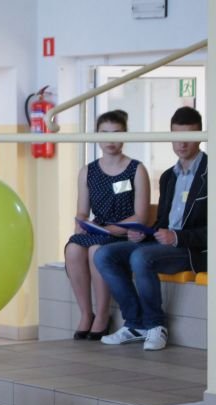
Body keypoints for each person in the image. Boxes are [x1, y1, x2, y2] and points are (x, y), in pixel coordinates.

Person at [94, 106, 207, 351]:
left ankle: (155, 325)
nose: (182, 144)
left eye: (189, 137)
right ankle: (135, 324)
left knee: (141, 257)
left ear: (201, 136)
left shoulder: (211, 173)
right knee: (104, 255)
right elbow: (164, 221)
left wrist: (177, 237)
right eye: (177, 137)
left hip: (193, 249)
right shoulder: (168, 177)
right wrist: (144, 232)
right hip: (163, 243)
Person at [65, 110, 150, 340]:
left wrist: (110, 229)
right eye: (104, 133)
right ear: (96, 135)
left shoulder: (136, 169)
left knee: (96, 249)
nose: (110, 139)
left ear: (126, 135)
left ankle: (102, 315)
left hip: (124, 233)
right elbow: (82, 211)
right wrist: (80, 223)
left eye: (116, 133)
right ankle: (86, 313)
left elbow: (140, 217)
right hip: (98, 229)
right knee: (73, 248)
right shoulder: (88, 171)